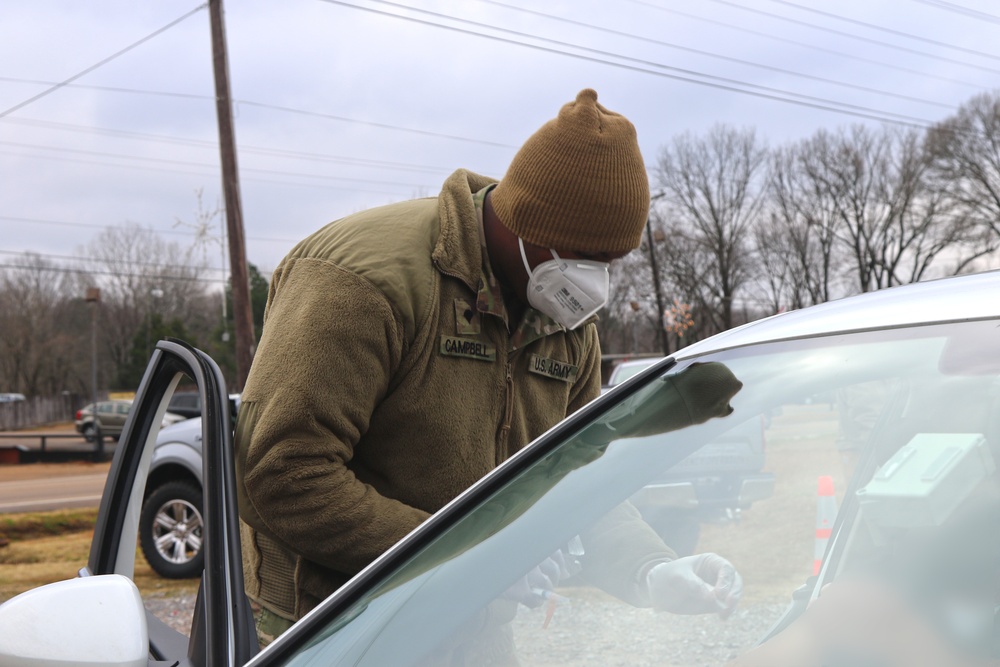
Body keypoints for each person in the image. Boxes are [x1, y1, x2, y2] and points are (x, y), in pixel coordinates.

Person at [234, 88, 741, 648]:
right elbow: (282, 474)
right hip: (330, 627)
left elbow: (573, 478)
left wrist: (649, 569)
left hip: (471, 625)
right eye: (586, 258)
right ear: (529, 228)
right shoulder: (362, 283)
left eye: (611, 262)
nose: (595, 282)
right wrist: (476, 559)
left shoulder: (566, 325)